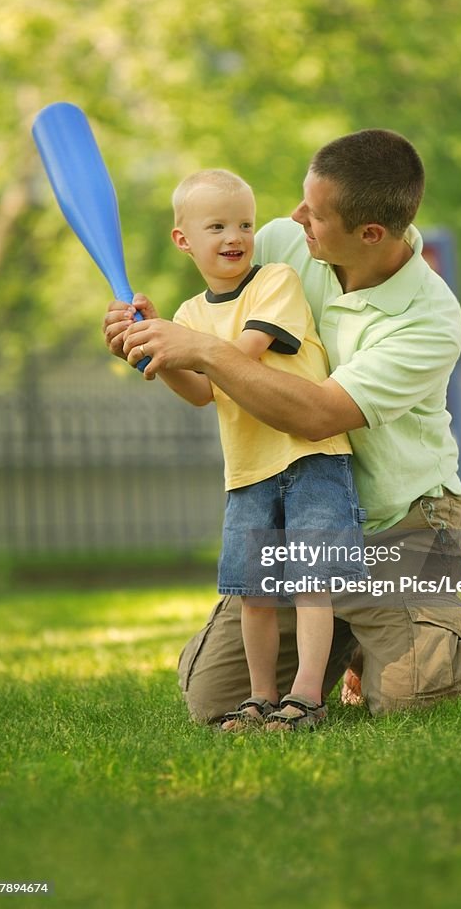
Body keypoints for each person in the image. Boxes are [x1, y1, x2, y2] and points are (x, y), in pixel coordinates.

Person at [104, 129, 461, 720]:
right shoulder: (281, 243)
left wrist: (200, 349)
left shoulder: (429, 319)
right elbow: (212, 347)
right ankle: (352, 638)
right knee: (214, 699)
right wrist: (149, 339)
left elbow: (318, 411)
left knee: (407, 698)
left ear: (370, 233)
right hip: (294, 514)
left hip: (399, 518)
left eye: (316, 215)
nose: (295, 218)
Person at [123, 167, 366, 731]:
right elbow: (202, 391)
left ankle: (306, 695)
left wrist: (183, 345)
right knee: (255, 593)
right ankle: (261, 697)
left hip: (311, 457)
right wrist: (150, 349)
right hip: (249, 471)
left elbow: (241, 355)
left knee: (310, 585)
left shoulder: (275, 281)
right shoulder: (187, 316)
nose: (234, 236)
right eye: (216, 226)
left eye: (244, 224)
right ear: (184, 240)